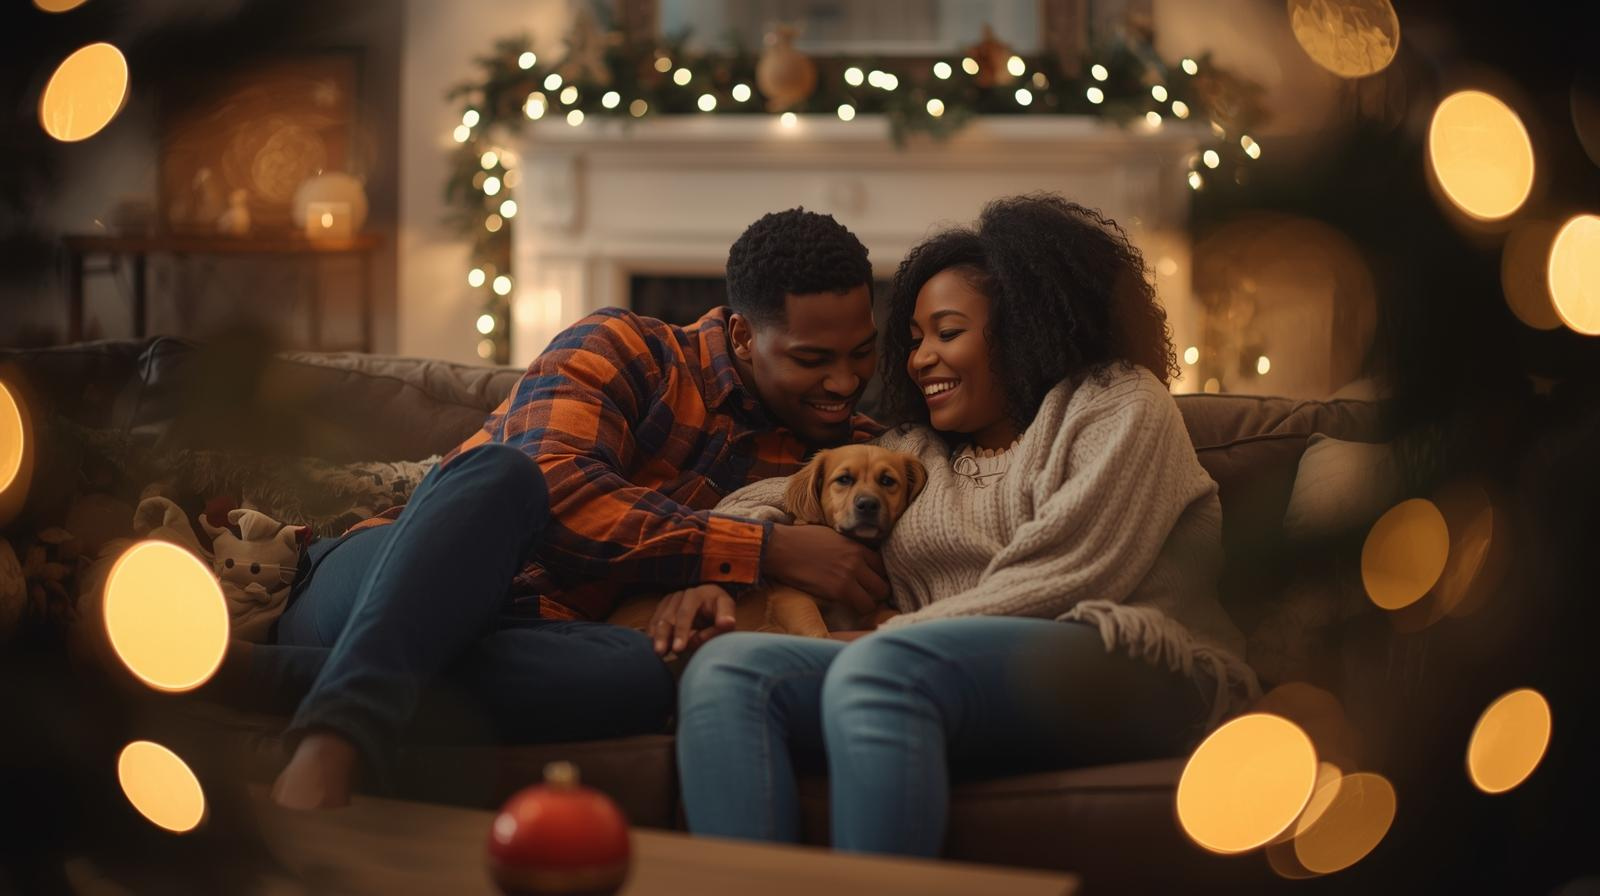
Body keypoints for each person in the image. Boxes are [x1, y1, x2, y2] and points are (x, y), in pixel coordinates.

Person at [673, 194, 1261, 856]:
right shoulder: (916, 454)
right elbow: (761, 500)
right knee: (727, 672)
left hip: (1126, 662)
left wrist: (889, 635)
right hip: (932, 671)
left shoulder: (1117, 403)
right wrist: (769, 547)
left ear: (1024, 326)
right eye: (915, 339)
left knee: (883, 670)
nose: (920, 359)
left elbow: (1063, 575)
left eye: (947, 333)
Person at [248, 208, 890, 809]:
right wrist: (763, 549)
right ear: (746, 337)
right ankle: (335, 736)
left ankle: (266, 676)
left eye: (861, 352)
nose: (844, 382)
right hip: (392, 580)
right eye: (813, 359)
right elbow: (559, 491)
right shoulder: (626, 347)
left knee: (648, 675)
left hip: (550, 640)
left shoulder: (845, 458)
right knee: (506, 476)